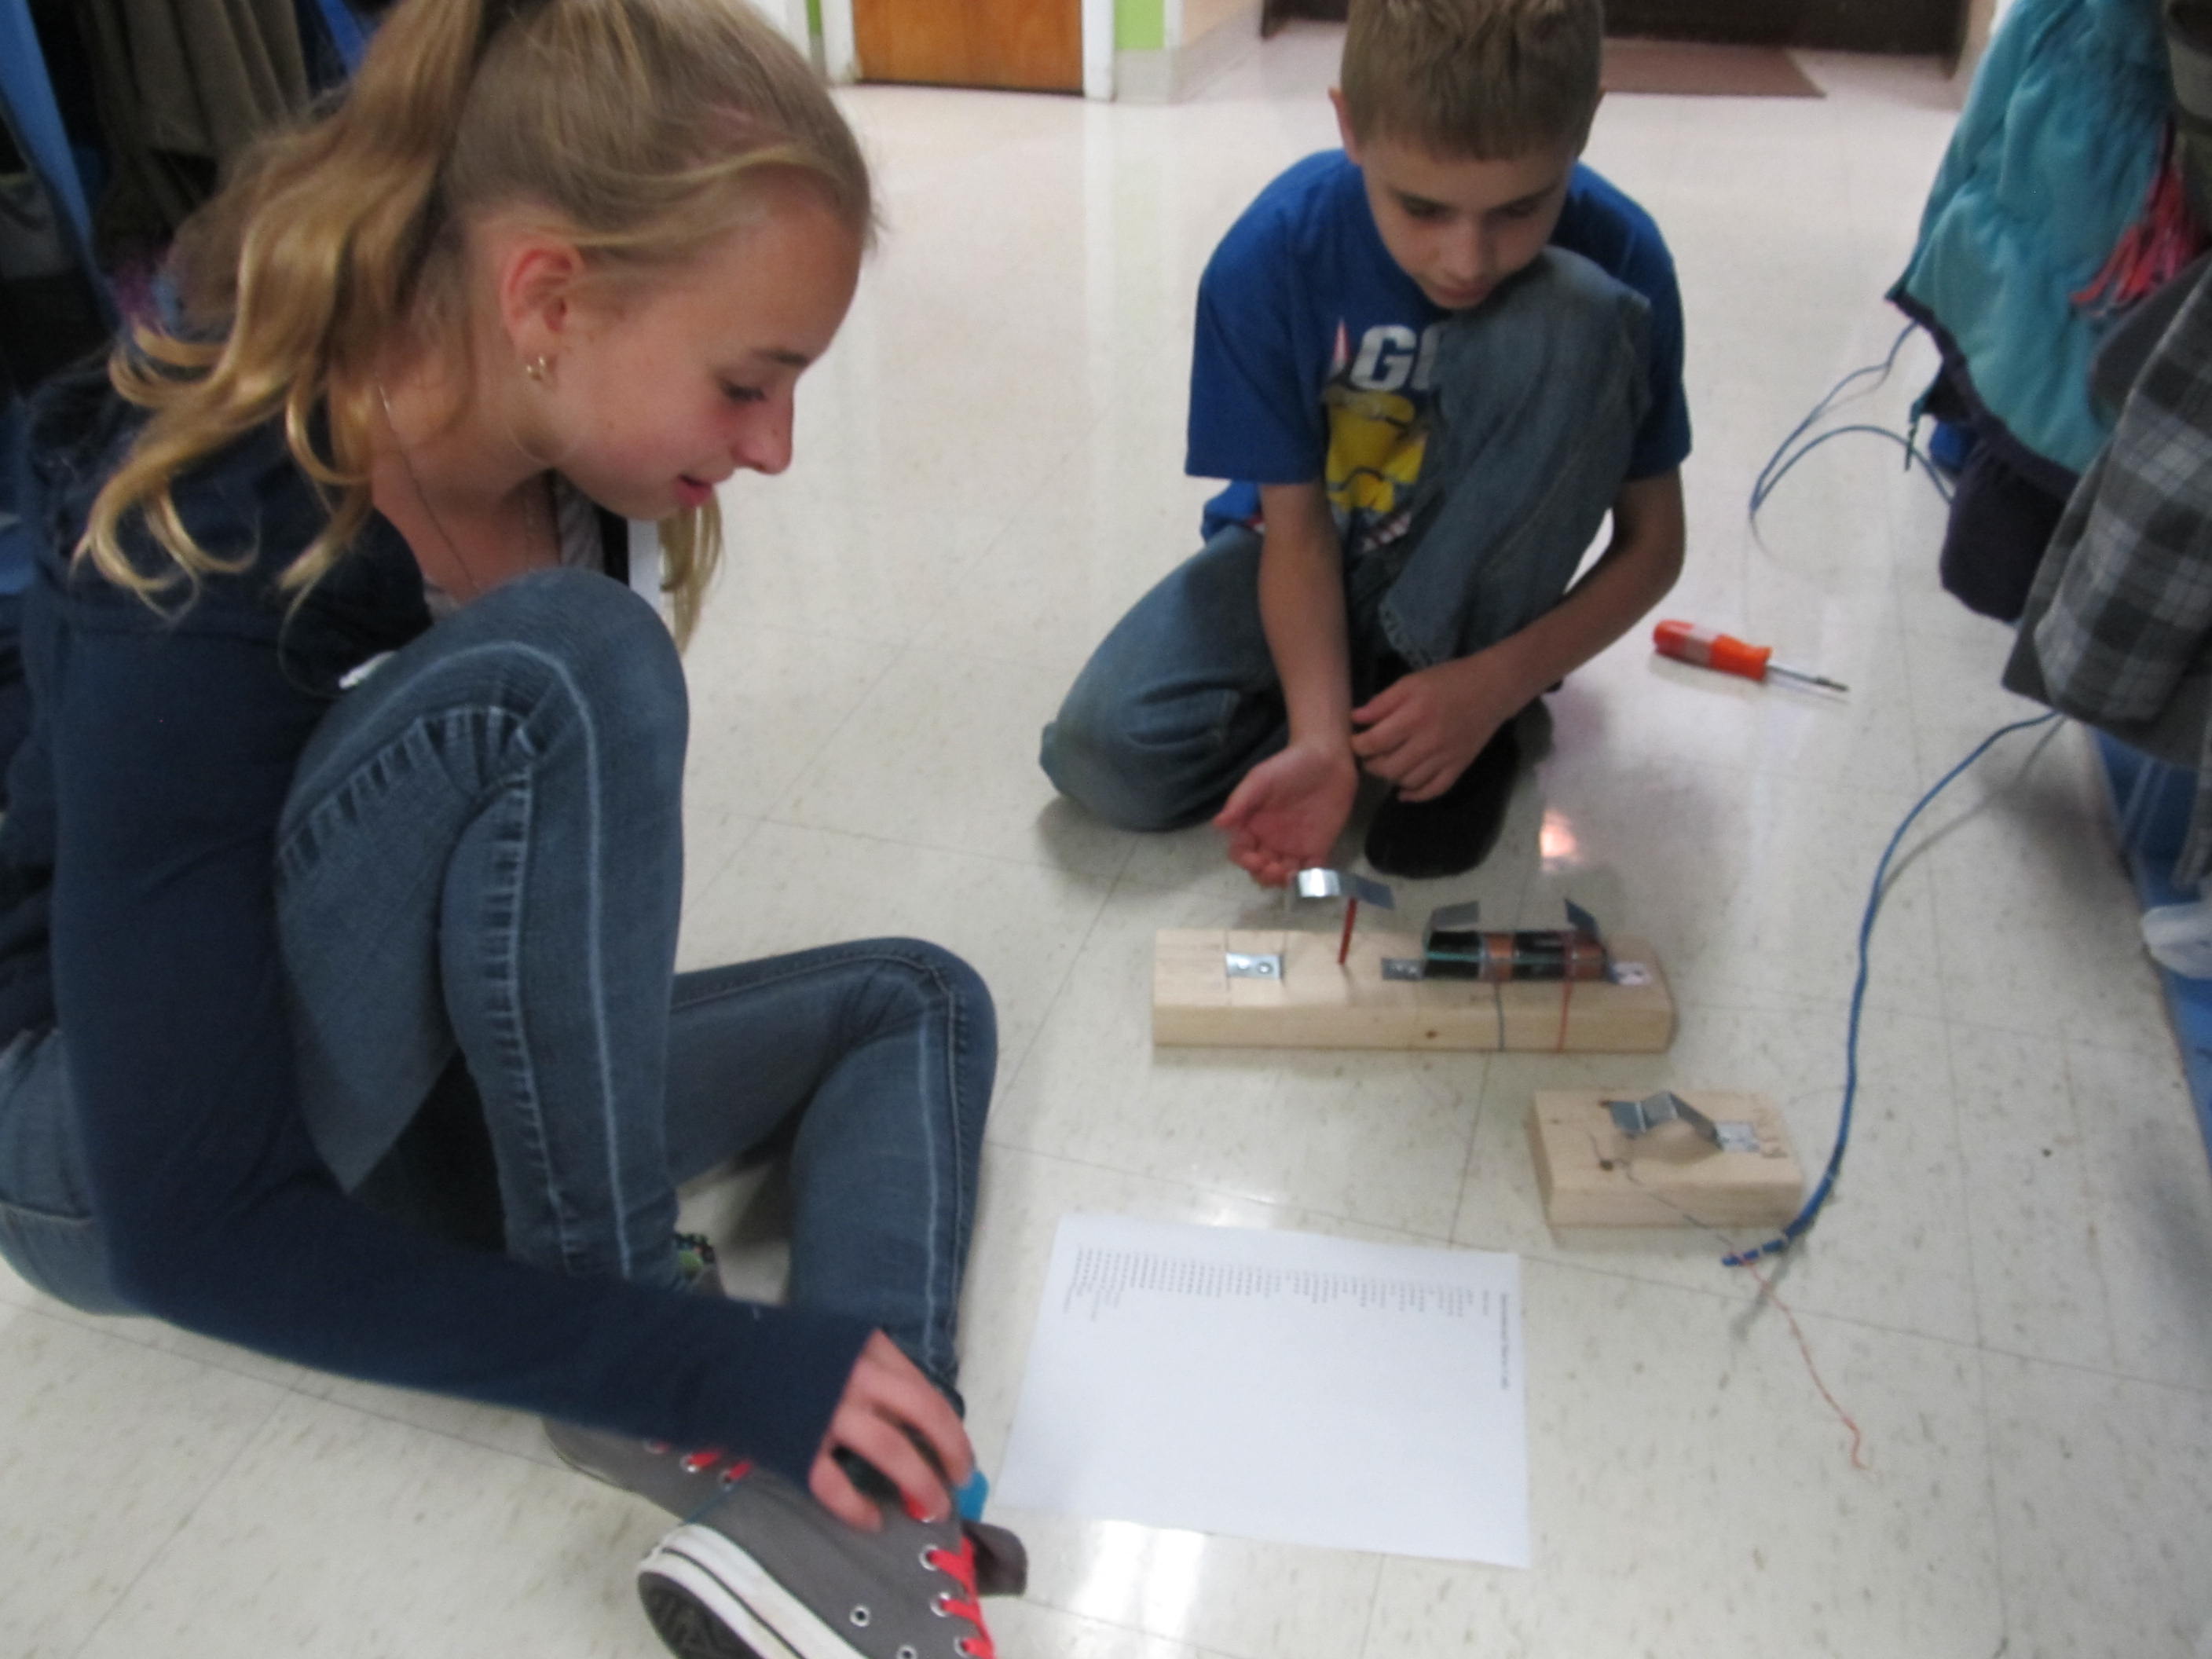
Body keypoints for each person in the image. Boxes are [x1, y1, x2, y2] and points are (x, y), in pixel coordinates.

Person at [0, 3, 1019, 1657]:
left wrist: (790, 1372)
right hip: (106, 1145)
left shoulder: (564, 459)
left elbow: (514, 891)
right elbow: (195, 1225)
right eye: (747, 382)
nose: (774, 449)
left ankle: (866, 1502)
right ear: (547, 299)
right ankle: (646, 1361)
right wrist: (696, 1357)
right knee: (563, 668)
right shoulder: (209, 526)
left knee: (915, 1000)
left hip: (401, 1083)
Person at [1040, 0, 1690, 884]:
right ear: (1349, 126)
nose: (1466, 259)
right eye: (1421, 208)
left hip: (1481, 578)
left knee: (1576, 311)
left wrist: (1494, 685)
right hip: (1307, 558)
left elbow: (1654, 545)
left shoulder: (1624, 255)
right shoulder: (1270, 256)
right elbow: (1296, 536)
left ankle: (1451, 718)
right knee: (1105, 756)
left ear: (1583, 127)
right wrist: (1317, 738)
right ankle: (1375, 711)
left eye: (1519, 208)